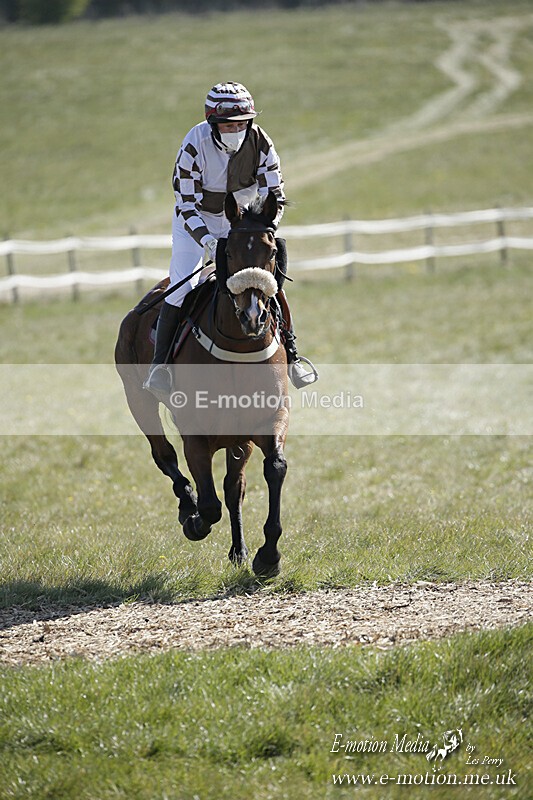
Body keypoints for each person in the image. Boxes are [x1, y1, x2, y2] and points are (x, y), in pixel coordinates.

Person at [144, 81, 318, 397]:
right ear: (213, 123)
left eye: (241, 124)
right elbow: (185, 203)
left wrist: (265, 227)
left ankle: (291, 355)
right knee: (183, 286)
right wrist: (209, 242)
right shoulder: (193, 145)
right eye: (227, 124)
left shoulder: (261, 143)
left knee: (268, 279)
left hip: (243, 223)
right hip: (195, 221)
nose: (235, 130)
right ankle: (161, 366)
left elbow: (275, 195)